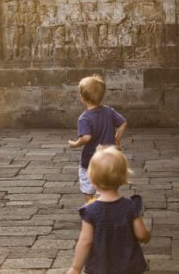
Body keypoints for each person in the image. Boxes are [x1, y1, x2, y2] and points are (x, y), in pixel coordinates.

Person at [67, 146, 151, 274]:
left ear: (92, 180)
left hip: (100, 267)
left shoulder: (90, 211)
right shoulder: (130, 206)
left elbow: (85, 241)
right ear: (123, 179)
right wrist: (146, 235)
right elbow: (141, 234)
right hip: (129, 267)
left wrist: (76, 268)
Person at [69, 74, 127, 202]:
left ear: (82, 98)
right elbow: (123, 123)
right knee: (107, 184)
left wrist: (74, 144)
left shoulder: (84, 118)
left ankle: (91, 208)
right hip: (108, 158)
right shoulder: (109, 111)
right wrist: (116, 141)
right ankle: (107, 203)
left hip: (90, 160)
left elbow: (86, 137)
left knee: (87, 186)